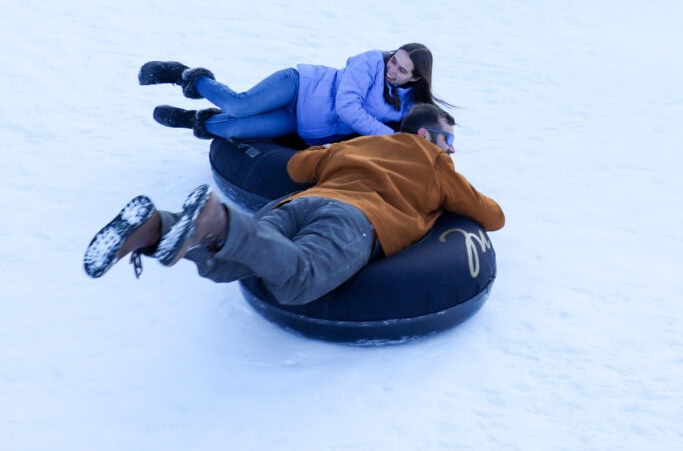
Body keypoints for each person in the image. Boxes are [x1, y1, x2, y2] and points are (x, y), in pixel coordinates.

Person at [84, 104, 504, 306]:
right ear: (428, 136)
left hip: (299, 204)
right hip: (355, 220)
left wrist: (337, 155)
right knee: (301, 279)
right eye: (448, 140)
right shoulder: (436, 166)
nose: (451, 149)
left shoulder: (360, 144)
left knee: (231, 264)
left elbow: (300, 166)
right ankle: (218, 220)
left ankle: (157, 227)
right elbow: (492, 217)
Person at [138, 44, 442, 144]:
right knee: (240, 105)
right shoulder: (372, 61)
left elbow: (420, 130)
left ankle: (192, 119)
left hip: (300, 123)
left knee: (235, 127)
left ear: (416, 78)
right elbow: (347, 106)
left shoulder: (408, 105)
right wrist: (390, 138)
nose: (393, 70)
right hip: (300, 85)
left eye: (402, 71)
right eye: (395, 61)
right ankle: (181, 74)